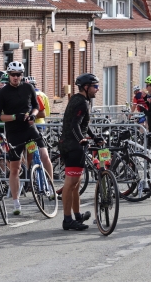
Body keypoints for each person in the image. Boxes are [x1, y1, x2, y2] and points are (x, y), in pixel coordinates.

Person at [0, 61, 46, 216]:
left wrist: (33, 115)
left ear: (22, 75)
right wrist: (15, 116)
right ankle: (16, 202)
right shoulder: (2, 93)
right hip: (14, 132)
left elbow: (36, 107)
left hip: (30, 128)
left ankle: (50, 189)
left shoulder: (28, 87)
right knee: (15, 168)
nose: (16, 77)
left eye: (19, 75)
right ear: (8, 75)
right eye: (13, 75)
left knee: (44, 154)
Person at [59, 73, 101, 231]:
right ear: (86, 87)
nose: (97, 89)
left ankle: (76, 216)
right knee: (70, 184)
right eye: (95, 86)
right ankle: (67, 220)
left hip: (69, 144)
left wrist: (94, 137)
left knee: (76, 184)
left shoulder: (80, 100)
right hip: (73, 146)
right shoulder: (82, 103)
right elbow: (75, 125)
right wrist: (81, 140)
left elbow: (82, 124)